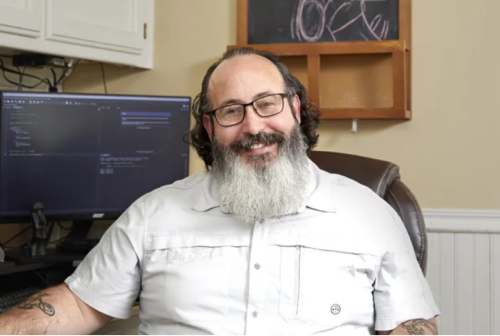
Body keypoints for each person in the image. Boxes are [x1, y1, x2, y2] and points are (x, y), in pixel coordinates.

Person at [0, 47, 440, 336]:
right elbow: (77, 306)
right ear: (210, 127)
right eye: (231, 111)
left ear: (295, 108)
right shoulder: (154, 214)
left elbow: (411, 322)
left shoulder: (368, 213)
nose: (253, 126)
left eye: (267, 103)